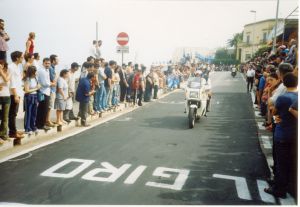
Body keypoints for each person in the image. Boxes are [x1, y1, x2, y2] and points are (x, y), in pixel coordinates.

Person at [264, 72, 298, 198]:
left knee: (281, 162)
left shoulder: (282, 98)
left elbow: (273, 111)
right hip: (295, 135)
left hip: (282, 134)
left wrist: (275, 118)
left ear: (283, 83)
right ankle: (290, 186)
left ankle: (279, 190)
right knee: (292, 162)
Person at [8, 51, 25, 139]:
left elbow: (18, 80)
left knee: (14, 113)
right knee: (12, 113)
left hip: (18, 93)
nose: (23, 58)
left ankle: (14, 130)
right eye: (22, 57)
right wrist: (15, 95)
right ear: (17, 58)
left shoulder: (17, 67)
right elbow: (12, 83)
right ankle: (12, 132)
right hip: (14, 94)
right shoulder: (11, 67)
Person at [36, 58, 52, 131]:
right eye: (46, 63)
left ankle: (41, 124)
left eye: (49, 63)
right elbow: (45, 83)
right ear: (43, 63)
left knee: (43, 109)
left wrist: (50, 84)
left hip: (46, 92)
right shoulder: (42, 71)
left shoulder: (47, 70)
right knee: (43, 109)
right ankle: (40, 125)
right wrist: (52, 84)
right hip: (43, 92)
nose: (47, 65)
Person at [23, 65, 40, 135]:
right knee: (28, 113)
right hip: (29, 96)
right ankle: (27, 128)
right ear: (33, 72)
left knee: (34, 113)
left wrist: (38, 87)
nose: (36, 72)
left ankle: (33, 126)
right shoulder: (27, 79)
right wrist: (36, 88)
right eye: (35, 71)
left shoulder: (36, 78)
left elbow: (38, 86)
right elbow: (26, 90)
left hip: (35, 96)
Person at [0, 62, 11, 142]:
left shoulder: (8, 73)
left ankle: (3, 134)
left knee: (5, 117)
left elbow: (6, 80)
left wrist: (1, 71)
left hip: (6, 97)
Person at [47, 54, 58, 127]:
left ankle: (48, 120)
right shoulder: (51, 68)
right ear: (53, 60)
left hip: (53, 89)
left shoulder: (52, 68)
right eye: (57, 60)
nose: (58, 61)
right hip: (51, 90)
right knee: (49, 106)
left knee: (50, 106)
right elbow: (53, 79)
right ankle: (47, 120)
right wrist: (56, 77)